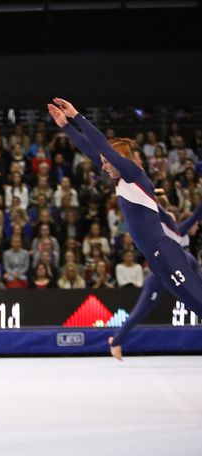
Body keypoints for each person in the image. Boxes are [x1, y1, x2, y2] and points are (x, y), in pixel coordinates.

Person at [49, 98, 202, 345]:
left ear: (120, 159)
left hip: (166, 251)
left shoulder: (134, 175)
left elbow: (99, 145)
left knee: (198, 300)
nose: (104, 167)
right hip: (156, 261)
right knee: (197, 306)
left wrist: (77, 116)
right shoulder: (121, 181)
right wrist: (65, 126)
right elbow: (92, 150)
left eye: (108, 162)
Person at [109, 201, 202, 360]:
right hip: (160, 272)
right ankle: (116, 341)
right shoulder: (158, 229)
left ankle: (116, 340)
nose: (171, 217)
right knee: (141, 310)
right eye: (168, 217)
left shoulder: (177, 231)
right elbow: (152, 205)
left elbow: (195, 216)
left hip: (176, 269)